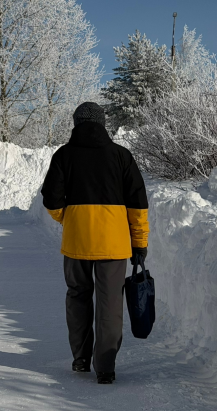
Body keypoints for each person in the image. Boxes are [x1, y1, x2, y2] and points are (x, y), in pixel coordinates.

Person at [40, 102, 150, 385]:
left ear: (76, 122)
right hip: (114, 246)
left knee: (77, 296)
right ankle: (106, 368)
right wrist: (139, 244)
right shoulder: (121, 156)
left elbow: (51, 199)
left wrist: (69, 219)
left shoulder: (64, 155)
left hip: (77, 242)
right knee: (110, 304)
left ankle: (80, 359)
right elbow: (138, 206)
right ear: (103, 123)